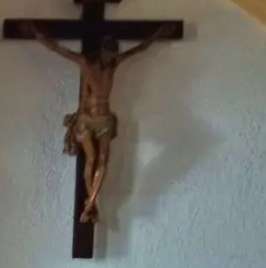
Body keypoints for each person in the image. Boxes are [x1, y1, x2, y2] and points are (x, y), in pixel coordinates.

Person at [23, 22, 176, 223]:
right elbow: (57, 49)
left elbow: (139, 49)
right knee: (91, 159)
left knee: (104, 161)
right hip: (87, 120)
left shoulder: (114, 64)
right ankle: (91, 205)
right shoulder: (85, 62)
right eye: (107, 53)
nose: (110, 57)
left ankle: (91, 204)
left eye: (113, 54)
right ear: (101, 50)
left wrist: (157, 35)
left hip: (104, 119)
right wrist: (36, 33)